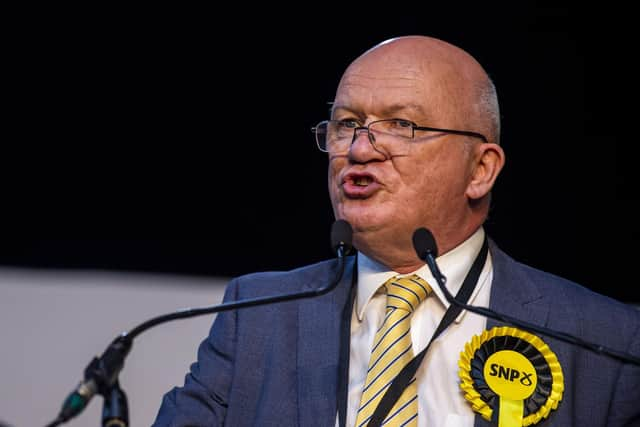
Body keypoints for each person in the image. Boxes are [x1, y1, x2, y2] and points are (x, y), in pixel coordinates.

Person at [153, 36, 640, 426]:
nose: (360, 150)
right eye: (347, 123)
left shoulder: (606, 340)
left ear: (480, 171)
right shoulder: (258, 317)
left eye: (402, 125)